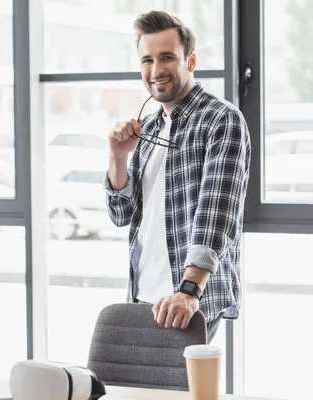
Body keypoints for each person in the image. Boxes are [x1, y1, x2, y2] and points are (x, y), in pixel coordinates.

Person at [104, 10, 251, 344]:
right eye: (147, 60)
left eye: (167, 57)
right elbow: (120, 215)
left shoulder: (221, 119)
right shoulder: (149, 127)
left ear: (191, 60)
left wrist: (189, 290)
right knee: (139, 395)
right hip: (142, 296)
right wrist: (117, 156)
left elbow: (216, 215)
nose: (156, 70)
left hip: (185, 299)